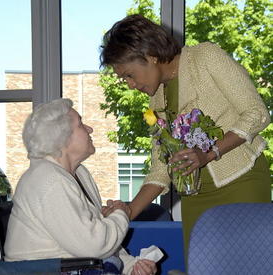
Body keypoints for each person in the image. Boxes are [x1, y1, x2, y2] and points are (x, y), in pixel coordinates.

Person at [99, 14, 271, 263]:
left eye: (129, 75)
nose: (130, 85)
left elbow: (257, 113)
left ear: (150, 56)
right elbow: (161, 170)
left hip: (241, 182)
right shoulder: (157, 99)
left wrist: (210, 152)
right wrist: (129, 211)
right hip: (195, 199)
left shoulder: (205, 57)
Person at [4, 98, 157, 275]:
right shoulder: (49, 180)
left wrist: (132, 266)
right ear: (62, 136)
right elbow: (95, 245)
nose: (90, 129)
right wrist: (121, 213)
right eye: (81, 125)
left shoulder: (78, 174)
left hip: (74, 266)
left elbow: (95, 240)